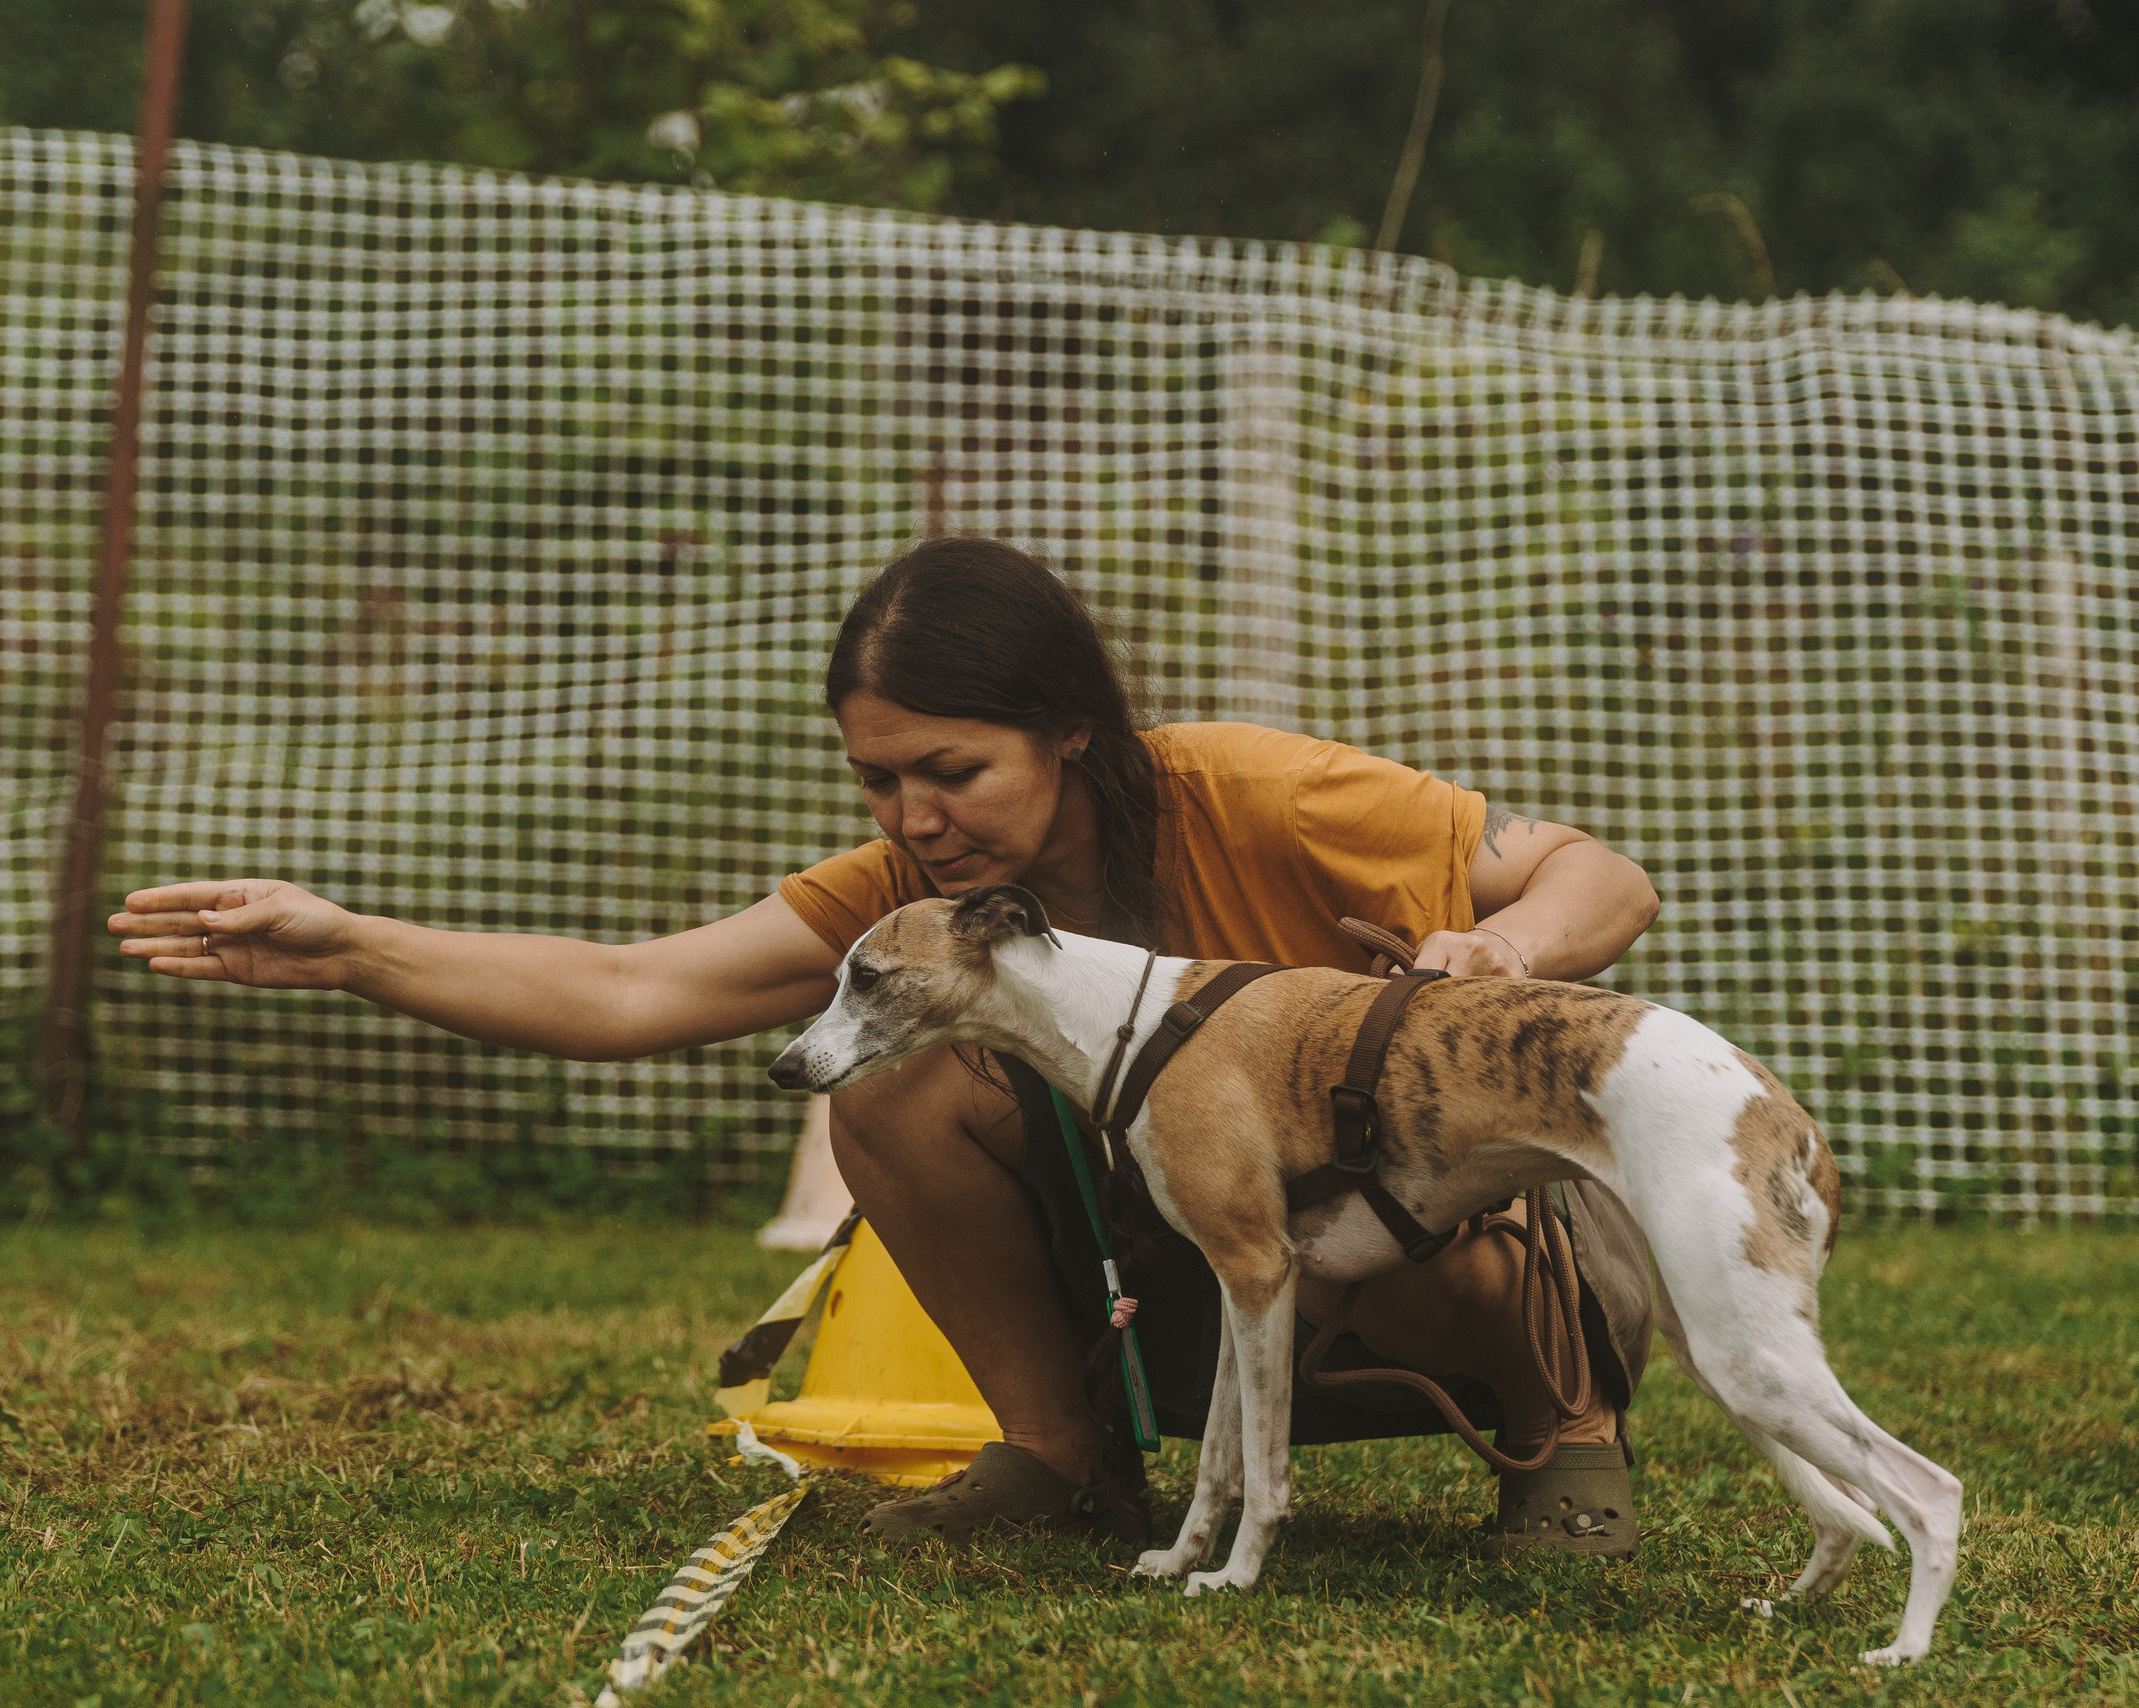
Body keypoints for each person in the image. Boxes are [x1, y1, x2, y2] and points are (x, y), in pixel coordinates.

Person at [109, 538, 1663, 1554]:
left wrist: (1503, 951)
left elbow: (1602, 875)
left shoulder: (1254, 792)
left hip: (1441, 1269)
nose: (915, 818)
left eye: (951, 770)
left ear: (1070, 730)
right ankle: (1063, 1461)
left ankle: (1561, 1437)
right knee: (898, 1085)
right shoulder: (914, 905)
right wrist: (352, 947)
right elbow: (629, 992)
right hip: (1197, 1302)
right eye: (877, 781)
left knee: (1390, 1190)